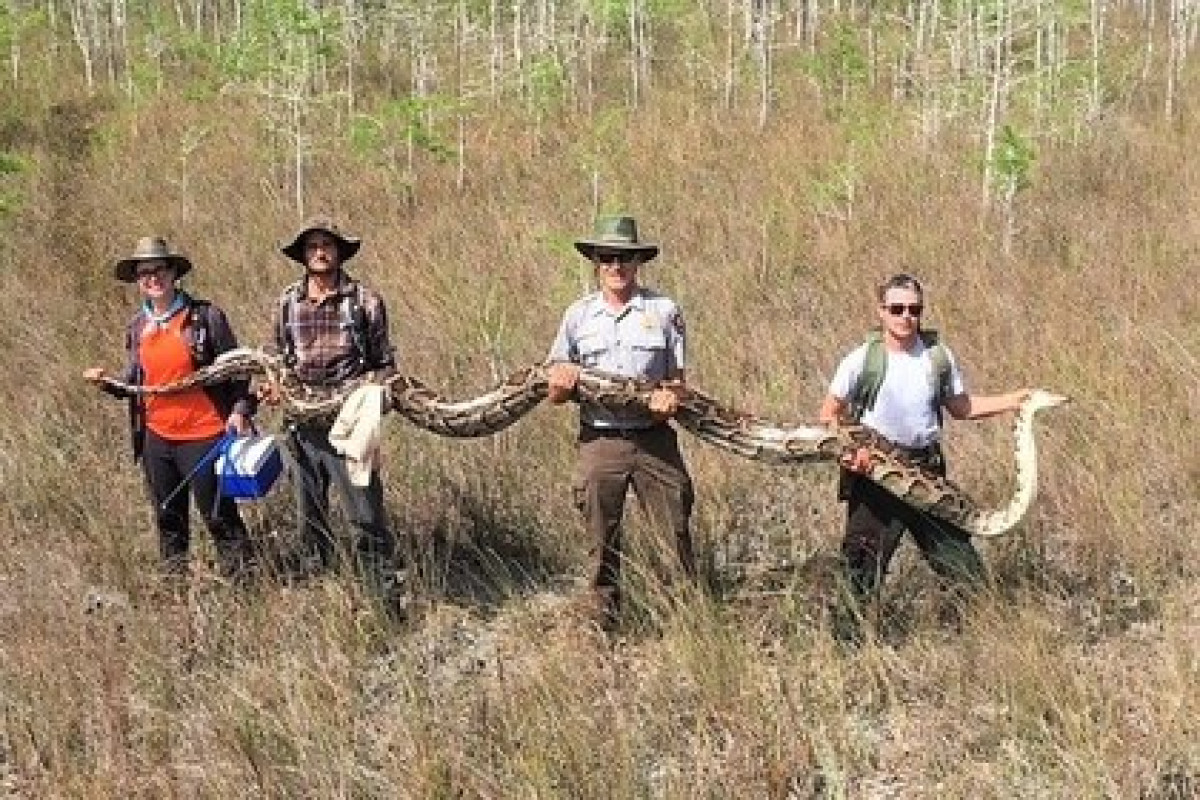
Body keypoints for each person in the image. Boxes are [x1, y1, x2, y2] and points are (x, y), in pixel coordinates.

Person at [818, 273, 1031, 636]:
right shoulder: (860, 360)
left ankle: (984, 636)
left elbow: (960, 407)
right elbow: (829, 414)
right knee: (861, 569)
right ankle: (848, 652)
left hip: (926, 474)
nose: (906, 317)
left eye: (914, 310)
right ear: (881, 312)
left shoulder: (937, 358)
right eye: (896, 309)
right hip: (875, 476)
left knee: (961, 565)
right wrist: (850, 455)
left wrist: (1015, 400)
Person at [546, 214, 696, 633]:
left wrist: (672, 397)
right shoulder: (577, 316)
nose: (616, 266)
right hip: (600, 440)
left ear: (638, 262)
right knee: (601, 541)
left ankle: (686, 626)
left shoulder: (665, 312)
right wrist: (560, 383)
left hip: (654, 440)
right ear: (595, 262)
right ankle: (604, 628)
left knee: (675, 536)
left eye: (625, 258)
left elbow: (680, 384)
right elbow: (555, 390)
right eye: (608, 257)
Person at [83, 236, 256, 580]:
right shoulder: (138, 327)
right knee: (167, 516)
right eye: (143, 272)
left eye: (158, 269)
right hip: (157, 439)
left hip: (205, 435)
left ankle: (245, 588)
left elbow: (239, 370)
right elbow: (138, 382)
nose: (152, 278)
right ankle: (174, 589)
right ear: (137, 280)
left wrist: (239, 410)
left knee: (219, 515)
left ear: (174, 272)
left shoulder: (205, 317)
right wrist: (108, 382)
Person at [261, 216, 398, 588]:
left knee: (365, 513)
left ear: (339, 252)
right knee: (310, 514)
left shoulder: (365, 301)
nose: (320, 253)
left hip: (350, 424)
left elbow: (384, 365)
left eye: (327, 245)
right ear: (303, 255)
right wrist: (272, 386)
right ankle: (322, 589)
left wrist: (368, 397)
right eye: (312, 247)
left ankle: (382, 590)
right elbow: (274, 357)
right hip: (301, 426)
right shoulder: (288, 302)